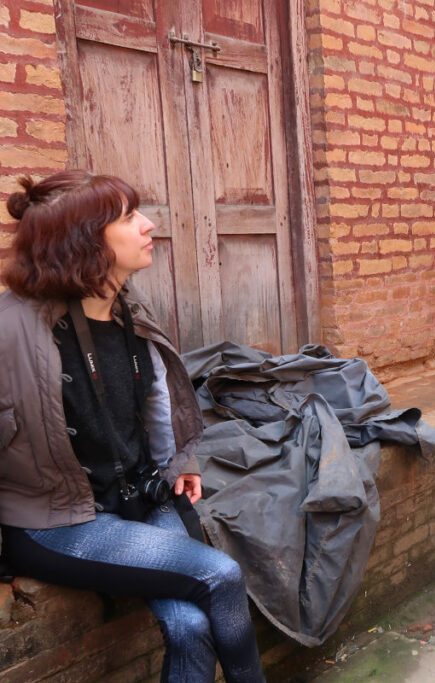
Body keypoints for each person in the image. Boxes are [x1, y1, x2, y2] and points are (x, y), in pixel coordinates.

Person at [0, 170, 265, 682]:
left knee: (189, 625)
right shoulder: (11, 330)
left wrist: (179, 460)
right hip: (60, 521)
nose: (148, 225)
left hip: (138, 496)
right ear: (83, 241)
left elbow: (155, 402)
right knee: (220, 575)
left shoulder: (128, 306)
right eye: (128, 216)